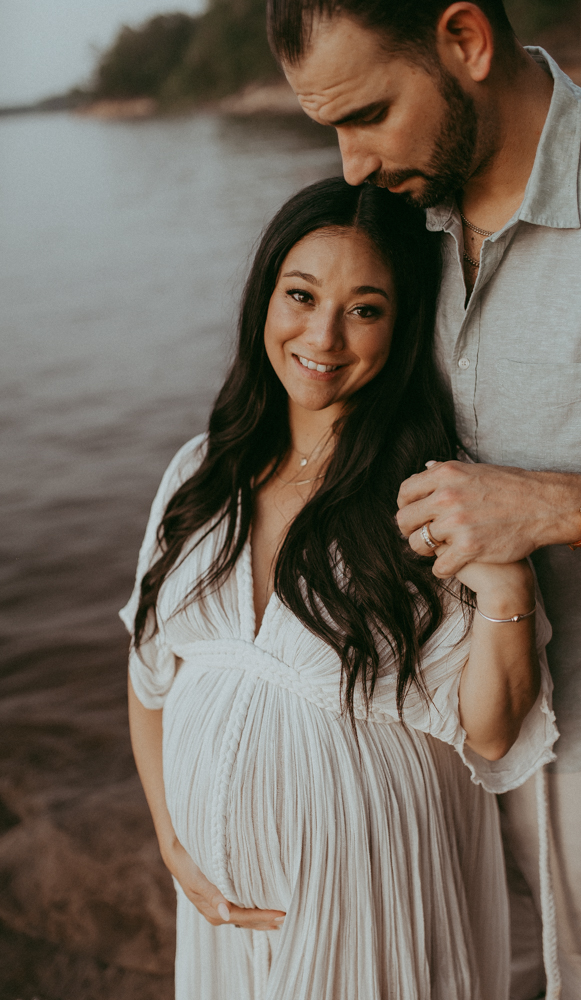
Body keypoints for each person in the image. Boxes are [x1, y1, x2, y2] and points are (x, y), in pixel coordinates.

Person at [266, 1, 581, 998]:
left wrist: (564, 506)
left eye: (366, 114)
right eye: (331, 130)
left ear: (464, 41)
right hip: (418, 724)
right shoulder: (397, 212)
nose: (351, 165)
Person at [120, 177, 558, 1000]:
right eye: (300, 294)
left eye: (364, 308)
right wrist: (172, 840)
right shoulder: (199, 476)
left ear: (400, 327)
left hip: (369, 897)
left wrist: (506, 574)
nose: (321, 333)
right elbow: (149, 680)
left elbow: (493, 731)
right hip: (218, 914)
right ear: (264, 300)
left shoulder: (426, 496)